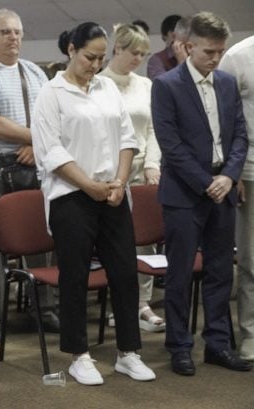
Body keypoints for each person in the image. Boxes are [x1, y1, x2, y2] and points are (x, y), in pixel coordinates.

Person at [32, 21, 155, 386]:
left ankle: (128, 353)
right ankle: (78, 355)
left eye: (102, 58)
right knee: (75, 275)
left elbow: (126, 137)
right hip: (71, 196)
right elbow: (49, 150)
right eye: (90, 57)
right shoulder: (51, 93)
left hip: (113, 192)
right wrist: (89, 185)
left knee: (124, 272)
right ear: (71, 50)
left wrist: (118, 181)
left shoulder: (106, 88)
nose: (96, 65)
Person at [151, 11, 252, 376]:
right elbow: (171, 145)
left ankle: (217, 344)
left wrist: (228, 175)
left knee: (220, 272)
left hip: (222, 188)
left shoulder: (226, 82)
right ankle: (179, 346)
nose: (216, 58)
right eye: (209, 51)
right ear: (188, 46)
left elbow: (240, 134)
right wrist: (206, 182)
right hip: (184, 192)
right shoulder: (166, 85)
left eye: (220, 51)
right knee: (179, 275)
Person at [0, 8, 59, 344]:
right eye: (5, 32)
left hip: (37, 167)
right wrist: (36, 138)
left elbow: (52, 116)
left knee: (40, 241)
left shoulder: (35, 72)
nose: (14, 38)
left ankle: (43, 308)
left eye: (17, 32)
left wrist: (37, 144)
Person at [100, 23, 164, 333]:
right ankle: (118, 304)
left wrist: (152, 163)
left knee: (145, 242)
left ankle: (142, 304)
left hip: (143, 169)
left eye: (143, 53)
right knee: (116, 242)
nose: (138, 58)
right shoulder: (99, 83)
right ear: (117, 49)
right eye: (133, 52)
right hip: (110, 172)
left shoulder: (146, 85)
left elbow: (154, 129)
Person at [220, 35, 254, 362]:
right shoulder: (237, 56)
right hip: (250, 169)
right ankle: (250, 335)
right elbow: (225, 119)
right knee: (251, 259)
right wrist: (235, 172)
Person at [146, 14, 182, 79]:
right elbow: (162, 85)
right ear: (164, 36)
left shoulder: (192, 56)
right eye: (173, 35)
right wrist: (181, 62)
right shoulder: (156, 60)